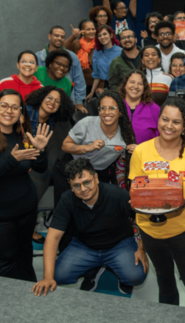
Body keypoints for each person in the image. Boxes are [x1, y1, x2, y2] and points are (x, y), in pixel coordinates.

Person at [129, 97, 185, 311]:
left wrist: (181, 202)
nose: (169, 126)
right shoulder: (141, 151)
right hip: (151, 232)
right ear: (158, 119)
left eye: (176, 122)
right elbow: (135, 190)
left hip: (183, 231)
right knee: (165, 281)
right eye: (165, 119)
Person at [31, 158, 148, 296]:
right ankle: (92, 270)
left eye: (87, 182)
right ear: (70, 185)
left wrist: (141, 248)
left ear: (96, 178)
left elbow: (144, 221)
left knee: (135, 276)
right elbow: (52, 238)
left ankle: (117, 272)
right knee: (58, 275)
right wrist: (47, 278)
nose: (83, 189)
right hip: (85, 245)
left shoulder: (117, 194)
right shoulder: (67, 200)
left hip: (119, 244)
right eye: (76, 186)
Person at [0, 89, 52, 281]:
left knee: (24, 254)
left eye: (15, 107)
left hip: (26, 210)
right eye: (4, 105)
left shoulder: (22, 135)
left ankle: (30, 295)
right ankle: (8, 305)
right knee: (6, 259)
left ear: (21, 112)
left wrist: (40, 150)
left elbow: (40, 168)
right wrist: (11, 159)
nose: (10, 111)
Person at [55, 90, 137, 208]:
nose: (106, 112)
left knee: (95, 211)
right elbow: (65, 145)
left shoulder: (126, 133)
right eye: (102, 108)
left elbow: (128, 159)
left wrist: (136, 150)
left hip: (98, 173)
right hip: (71, 168)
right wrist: (87, 147)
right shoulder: (87, 123)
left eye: (112, 108)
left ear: (120, 112)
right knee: (69, 208)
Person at [26, 86, 75, 243]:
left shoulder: (54, 120)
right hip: (20, 158)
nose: (52, 103)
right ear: (41, 98)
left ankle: (30, 226)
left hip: (39, 161)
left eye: (57, 101)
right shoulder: (25, 114)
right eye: (49, 98)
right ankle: (26, 229)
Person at [36, 26, 87, 113]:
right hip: (41, 102)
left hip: (66, 101)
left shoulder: (72, 57)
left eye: (62, 37)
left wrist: (79, 102)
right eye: (56, 35)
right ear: (49, 36)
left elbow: (79, 80)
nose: (59, 38)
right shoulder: (37, 57)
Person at [0, 51, 43, 117]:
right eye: (23, 61)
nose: (27, 64)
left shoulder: (41, 89)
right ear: (18, 65)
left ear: (36, 67)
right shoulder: (4, 83)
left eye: (31, 62)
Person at [118, 70, 160, 145]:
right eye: (132, 82)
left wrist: (142, 150)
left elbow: (162, 136)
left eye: (140, 84)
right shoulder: (114, 105)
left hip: (146, 154)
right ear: (125, 85)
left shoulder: (155, 109)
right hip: (117, 154)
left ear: (144, 88)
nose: (135, 86)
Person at [64, 20, 99, 97]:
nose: (91, 31)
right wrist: (73, 36)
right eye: (88, 29)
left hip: (96, 85)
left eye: (93, 29)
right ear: (82, 32)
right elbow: (64, 48)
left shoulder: (99, 44)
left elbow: (103, 67)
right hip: (79, 86)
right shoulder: (76, 43)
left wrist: (101, 86)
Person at [87, 25, 122, 101]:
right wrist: (92, 92)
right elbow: (97, 75)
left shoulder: (121, 52)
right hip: (104, 87)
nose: (102, 37)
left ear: (111, 35)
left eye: (105, 34)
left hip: (120, 86)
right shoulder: (96, 52)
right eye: (99, 36)